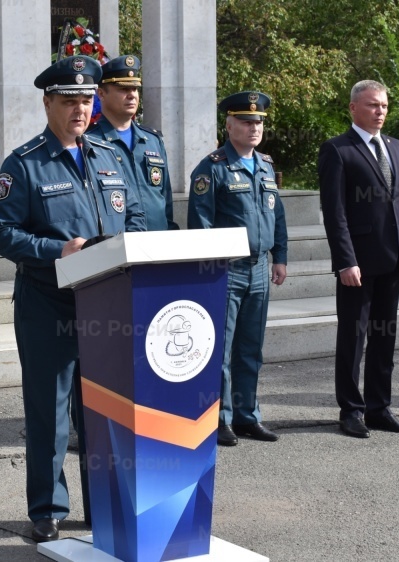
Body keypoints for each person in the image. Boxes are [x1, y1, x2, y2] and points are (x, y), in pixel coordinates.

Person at [0, 55, 145, 542]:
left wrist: (130, 249)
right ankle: (47, 508)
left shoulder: (109, 155)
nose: (80, 109)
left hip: (107, 302)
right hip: (48, 304)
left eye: (87, 100)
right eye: (70, 100)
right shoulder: (25, 162)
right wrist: (59, 250)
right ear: (48, 103)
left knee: (104, 409)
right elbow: (0, 232)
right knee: (50, 412)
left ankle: (103, 503)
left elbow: (135, 215)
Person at [318, 79, 399, 439]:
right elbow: (334, 214)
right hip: (358, 266)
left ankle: (380, 408)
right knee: (353, 338)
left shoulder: (397, 148)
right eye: (371, 105)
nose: (379, 111)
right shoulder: (338, 150)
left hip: (392, 259)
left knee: (385, 338)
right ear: (353, 108)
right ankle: (351, 410)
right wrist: (345, 261)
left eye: (383, 105)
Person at [187, 91, 288, 447]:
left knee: (250, 348)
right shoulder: (211, 168)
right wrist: (212, 267)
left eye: (258, 122)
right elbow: (200, 223)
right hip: (227, 271)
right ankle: (220, 419)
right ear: (228, 126)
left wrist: (281, 256)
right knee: (222, 351)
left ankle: (248, 416)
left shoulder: (264, 165)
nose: (254, 127)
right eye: (246, 121)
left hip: (260, 268)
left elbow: (277, 215)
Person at [88, 54, 178, 230]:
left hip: (158, 245)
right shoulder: (90, 142)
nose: (131, 95)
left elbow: (165, 200)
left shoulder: (152, 140)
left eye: (135, 89)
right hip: (118, 248)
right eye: (123, 89)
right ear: (101, 94)